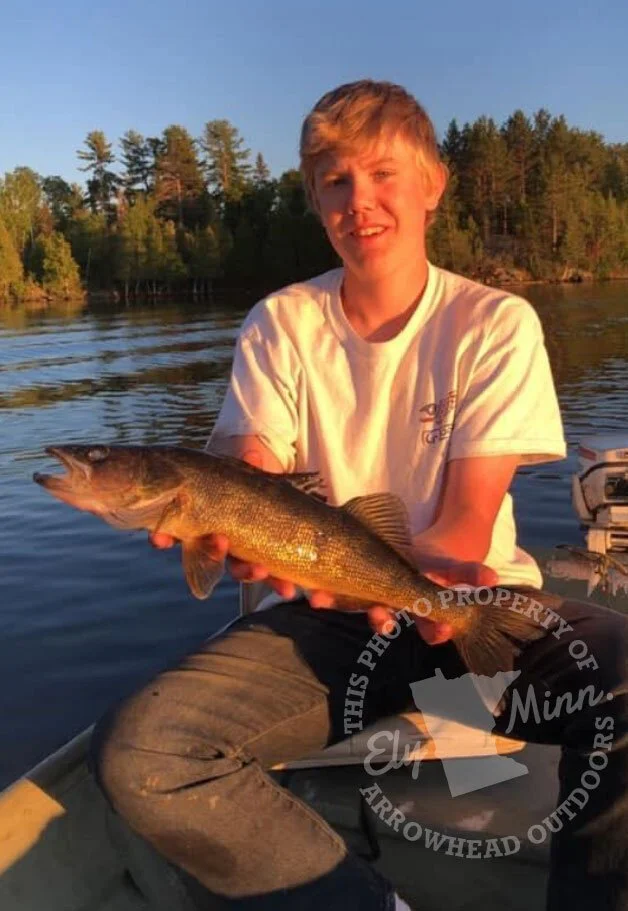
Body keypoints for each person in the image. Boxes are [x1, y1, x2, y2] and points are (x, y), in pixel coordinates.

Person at [92, 81, 628, 910]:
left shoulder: (495, 323)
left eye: (382, 174)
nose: (359, 201)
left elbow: (464, 528)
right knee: (144, 751)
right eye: (335, 181)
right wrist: (228, 533)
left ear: (433, 185)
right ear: (314, 200)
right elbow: (247, 466)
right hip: (327, 619)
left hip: (468, 600)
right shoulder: (280, 323)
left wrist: (418, 595)